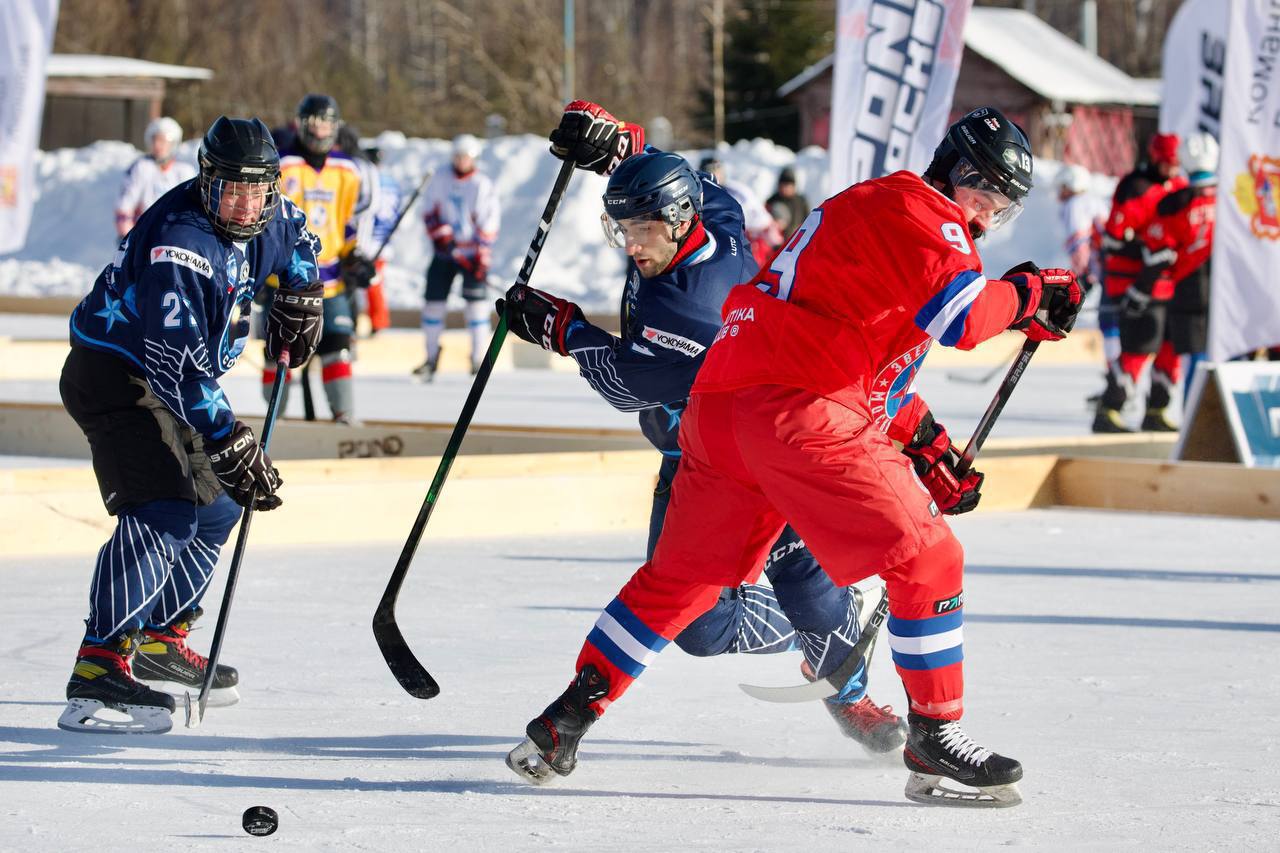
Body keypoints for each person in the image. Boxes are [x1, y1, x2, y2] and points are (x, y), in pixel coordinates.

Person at [505, 106, 1083, 808]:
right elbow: (963, 320)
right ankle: (934, 735)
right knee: (930, 558)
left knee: (683, 578)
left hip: (726, 410)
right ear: (955, 175)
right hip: (800, 416)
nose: (988, 218)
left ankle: (566, 717)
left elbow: (871, 361)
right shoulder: (926, 214)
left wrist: (927, 444)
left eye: (1003, 207)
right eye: (984, 196)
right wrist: (1031, 293)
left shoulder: (870, 213)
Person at [501, 101, 921, 757]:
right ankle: (816, 640)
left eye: (640, 230)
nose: (630, 245)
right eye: (621, 230)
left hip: (763, 455)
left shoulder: (691, 311)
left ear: (675, 223)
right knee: (694, 623)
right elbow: (683, 180)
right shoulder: (711, 212)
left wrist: (562, 328)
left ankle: (846, 681)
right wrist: (617, 143)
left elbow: (622, 383)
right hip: (700, 451)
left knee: (811, 595)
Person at [58, 116, 324, 734]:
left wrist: (302, 294)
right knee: (163, 513)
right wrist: (227, 436)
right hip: (118, 377)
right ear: (206, 182)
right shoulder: (179, 242)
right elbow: (172, 361)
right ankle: (99, 662)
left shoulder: (269, 211)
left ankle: (159, 639)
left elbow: (301, 241)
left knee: (220, 507)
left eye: (256, 190)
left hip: (175, 382)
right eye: (230, 189)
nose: (244, 203)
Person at [267, 94, 372, 423]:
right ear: (301, 125)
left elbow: (347, 223)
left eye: (326, 123)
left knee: (338, 347)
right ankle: (275, 421)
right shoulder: (282, 165)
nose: (319, 130)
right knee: (280, 355)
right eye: (313, 123)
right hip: (287, 281)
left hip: (331, 281)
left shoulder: (347, 170)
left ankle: (344, 419)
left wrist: (354, 256)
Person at [1095, 133, 1187, 433]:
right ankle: (1109, 410)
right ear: (1155, 158)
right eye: (1167, 164)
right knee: (1139, 344)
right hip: (1133, 282)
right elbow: (1113, 239)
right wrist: (1150, 248)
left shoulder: (1178, 187)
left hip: (1167, 284)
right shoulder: (1134, 188)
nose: (1172, 170)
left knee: (1170, 347)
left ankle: (1156, 410)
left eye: (1176, 164)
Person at [1131, 132, 1219, 413]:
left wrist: (1140, 289)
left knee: (1195, 358)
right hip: (1226, 288)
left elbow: (1158, 252)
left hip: (1187, 288)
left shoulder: (1174, 202)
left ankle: (1195, 419)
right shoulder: (1229, 197)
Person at [414, 134, 501, 379]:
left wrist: (481, 256)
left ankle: (477, 359)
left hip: (471, 254)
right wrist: (442, 236)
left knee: (476, 307)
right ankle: (431, 358)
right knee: (433, 304)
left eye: (466, 157)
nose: (461, 161)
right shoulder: (440, 178)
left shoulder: (482, 184)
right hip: (444, 253)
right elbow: (429, 211)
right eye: (457, 156)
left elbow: (489, 221)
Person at [1055, 164, 1111, 403]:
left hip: (1105, 269)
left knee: (1109, 325)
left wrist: (1084, 274)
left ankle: (1116, 386)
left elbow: (1079, 241)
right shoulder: (1094, 200)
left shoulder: (1074, 205)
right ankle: (1115, 384)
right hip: (1112, 267)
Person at [115, 117, 197, 237]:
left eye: (163, 141)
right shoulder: (141, 168)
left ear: (173, 143)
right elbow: (125, 206)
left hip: (174, 236)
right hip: (143, 234)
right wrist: (130, 237)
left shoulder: (184, 172)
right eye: (155, 140)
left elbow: (191, 209)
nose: (157, 145)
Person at [699, 155, 783, 267]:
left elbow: (761, 219)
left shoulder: (736, 191)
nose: (714, 174)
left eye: (717, 169)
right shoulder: (698, 193)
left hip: (742, 245)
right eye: (710, 170)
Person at [765, 166, 811, 241]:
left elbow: (809, 221)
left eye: (787, 185)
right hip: (777, 243)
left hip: (797, 241)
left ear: (793, 186)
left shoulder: (801, 201)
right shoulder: (772, 200)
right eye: (783, 185)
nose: (785, 188)